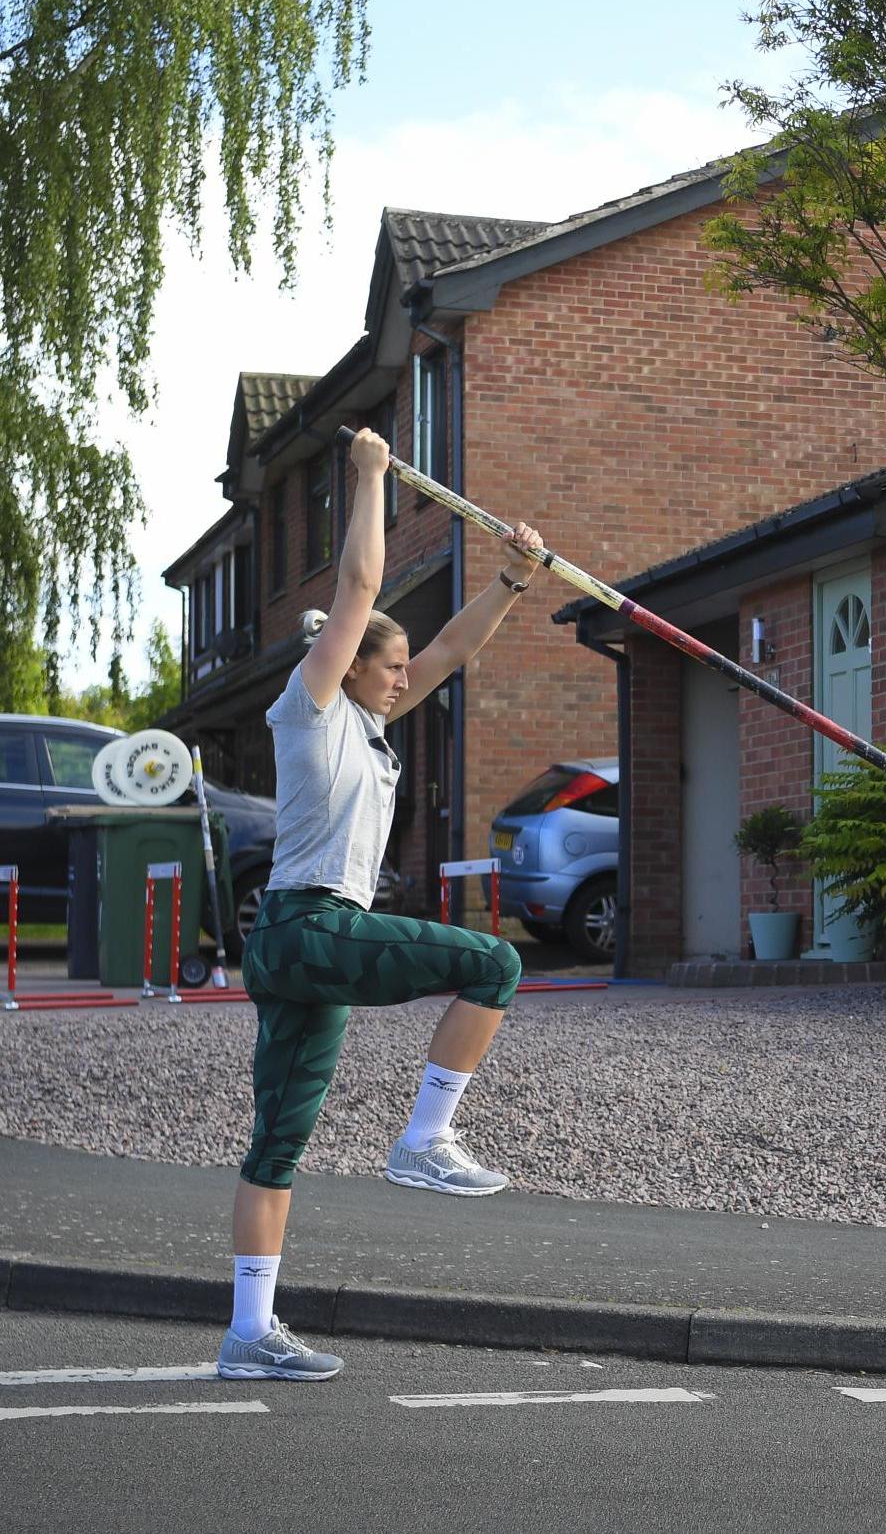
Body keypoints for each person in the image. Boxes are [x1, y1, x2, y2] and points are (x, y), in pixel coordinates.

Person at [218, 427, 546, 1381]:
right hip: (311, 924)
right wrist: (367, 476)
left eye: (399, 669)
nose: (403, 677)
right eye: (387, 665)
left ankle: (249, 1332)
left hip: (299, 944)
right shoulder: (309, 705)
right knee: (494, 962)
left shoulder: (370, 725)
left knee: (276, 1144)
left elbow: (446, 648)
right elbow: (359, 591)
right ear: (350, 662)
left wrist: (513, 580)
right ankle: (424, 1139)